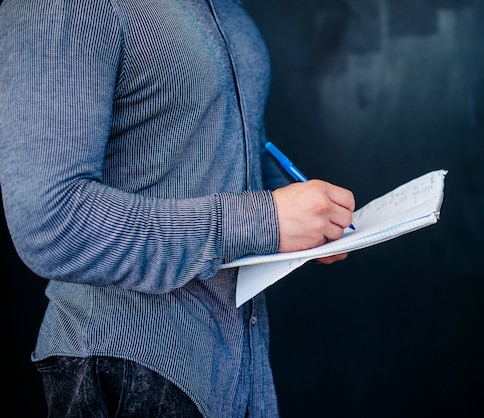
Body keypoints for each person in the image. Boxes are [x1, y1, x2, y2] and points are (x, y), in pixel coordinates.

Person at [0, 0, 354, 417]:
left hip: (235, 366)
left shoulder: (226, 8)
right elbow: (51, 220)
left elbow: (216, 148)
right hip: (127, 367)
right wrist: (263, 219)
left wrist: (309, 216)